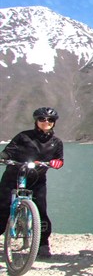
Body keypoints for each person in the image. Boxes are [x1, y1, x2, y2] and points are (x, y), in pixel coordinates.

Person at [0, 107, 64, 258]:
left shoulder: (56, 142)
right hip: (14, 176)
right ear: (36, 121)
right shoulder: (23, 137)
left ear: (54, 123)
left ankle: (42, 244)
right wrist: (3, 156)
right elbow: (10, 150)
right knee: (2, 207)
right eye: (42, 119)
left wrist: (56, 163)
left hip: (37, 180)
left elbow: (60, 160)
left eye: (50, 120)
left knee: (41, 211)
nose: (46, 122)